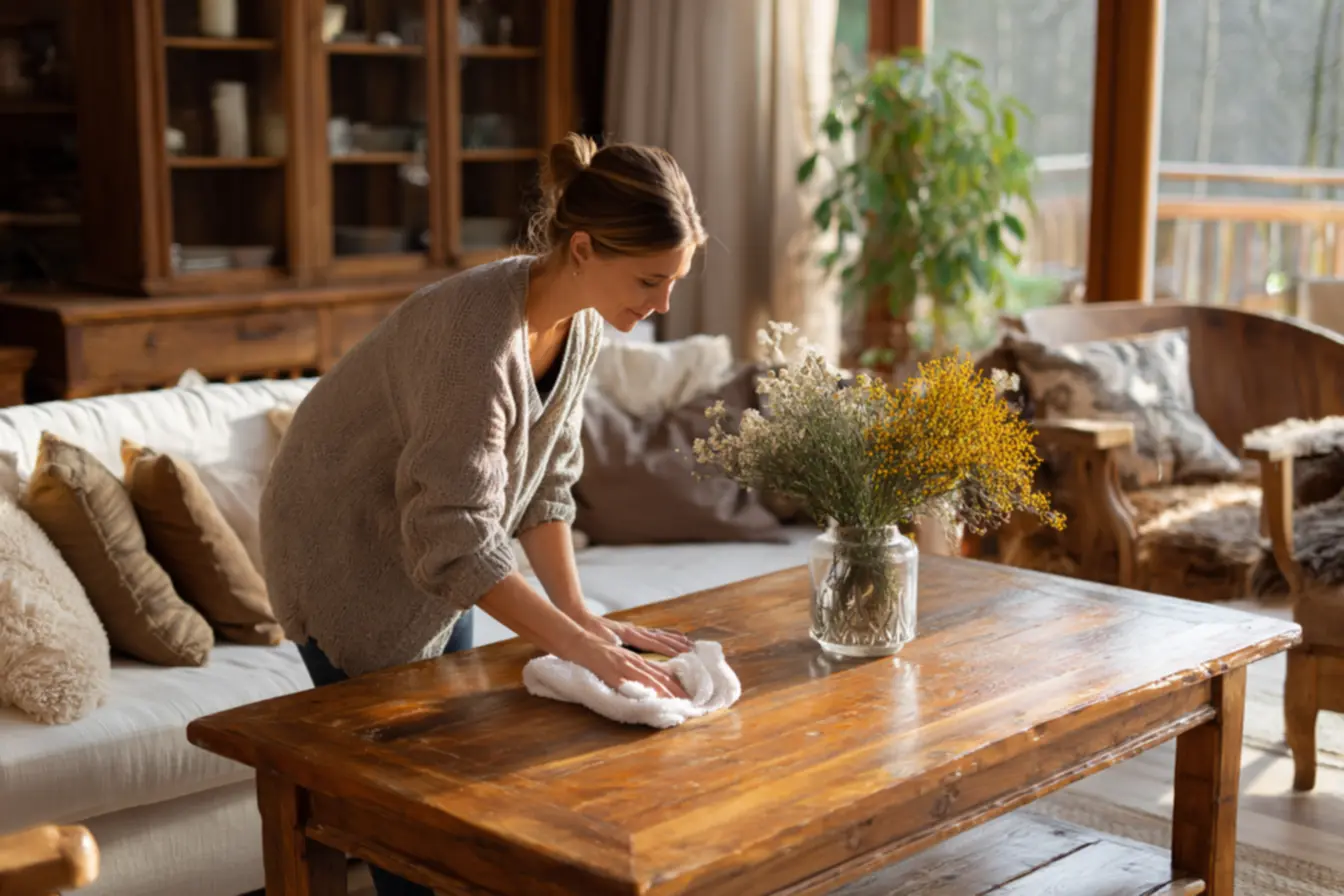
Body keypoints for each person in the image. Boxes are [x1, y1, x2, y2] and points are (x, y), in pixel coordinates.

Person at [257, 133, 707, 895]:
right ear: (585, 248)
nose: (662, 303)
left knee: (454, 789)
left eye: (674, 281)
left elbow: (548, 483)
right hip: (340, 548)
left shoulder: (587, 320)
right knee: (408, 816)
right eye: (650, 279)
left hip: (434, 544)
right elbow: (454, 540)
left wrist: (580, 614)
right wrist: (584, 649)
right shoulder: (474, 335)